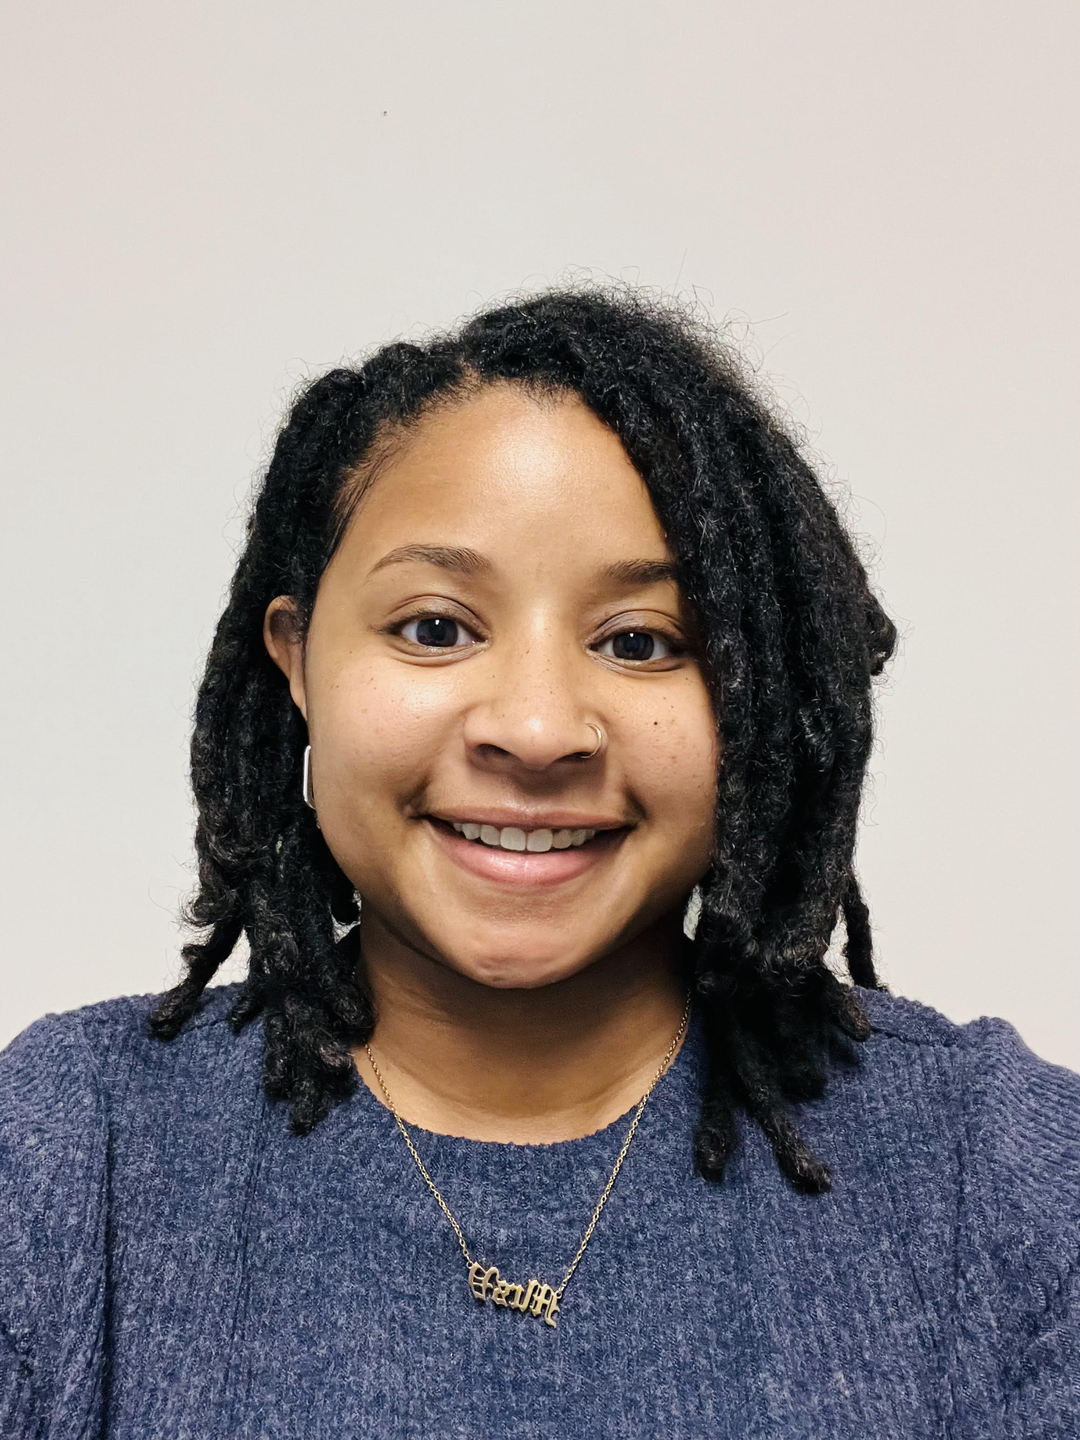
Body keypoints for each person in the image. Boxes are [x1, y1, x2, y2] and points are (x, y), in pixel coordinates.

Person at [1, 288, 1076, 1440]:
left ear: (760, 696)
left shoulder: (1000, 1180)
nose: (536, 726)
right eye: (434, 627)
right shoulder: (70, 1156)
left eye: (642, 642)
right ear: (298, 660)